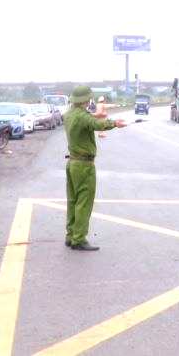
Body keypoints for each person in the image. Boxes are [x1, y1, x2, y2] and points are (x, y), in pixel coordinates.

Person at [64, 85, 127, 251]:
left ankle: (70, 235)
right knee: (84, 202)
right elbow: (94, 123)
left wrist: (101, 118)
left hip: (72, 162)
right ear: (85, 99)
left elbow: (88, 119)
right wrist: (115, 123)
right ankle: (79, 239)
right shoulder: (82, 116)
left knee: (72, 200)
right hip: (84, 165)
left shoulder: (69, 114)